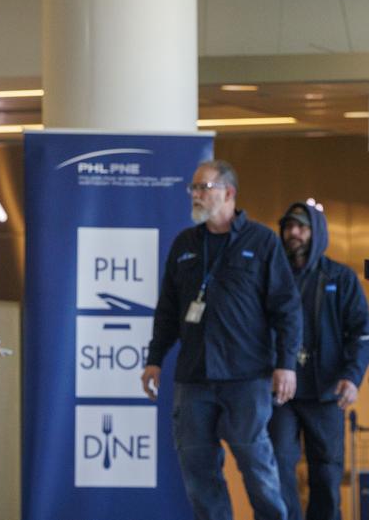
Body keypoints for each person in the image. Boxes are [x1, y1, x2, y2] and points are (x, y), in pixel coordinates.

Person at [142, 160, 302, 520]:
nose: (196, 195)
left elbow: (287, 309)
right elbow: (167, 308)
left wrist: (286, 365)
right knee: (197, 467)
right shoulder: (185, 244)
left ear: (228, 193)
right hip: (194, 376)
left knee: (256, 464)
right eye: (193, 189)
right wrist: (154, 358)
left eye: (203, 188)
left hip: (246, 376)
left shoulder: (261, 242)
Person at [268, 202, 369, 520]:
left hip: (326, 391)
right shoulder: (271, 277)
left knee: (326, 475)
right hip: (280, 393)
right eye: (288, 227)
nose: (294, 233)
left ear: (317, 232)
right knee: (279, 466)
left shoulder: (339, 277)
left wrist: (352, 378)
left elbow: (362, 334)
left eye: (301, 227)